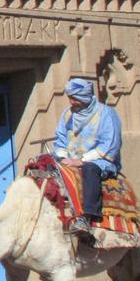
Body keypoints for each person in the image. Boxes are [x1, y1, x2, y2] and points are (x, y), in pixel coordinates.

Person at [53, 77, 122, 241]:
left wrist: (82, 161)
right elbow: (60, 139)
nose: (71, 102)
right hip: (70, 159)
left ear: (84, 97)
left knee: (90, 170)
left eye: (74, 98)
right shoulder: (67, 115)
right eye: (70, 98)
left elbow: (110, 144)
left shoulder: (106, 114)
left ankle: (87, 218)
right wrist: (62, 157)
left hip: (100, 160)